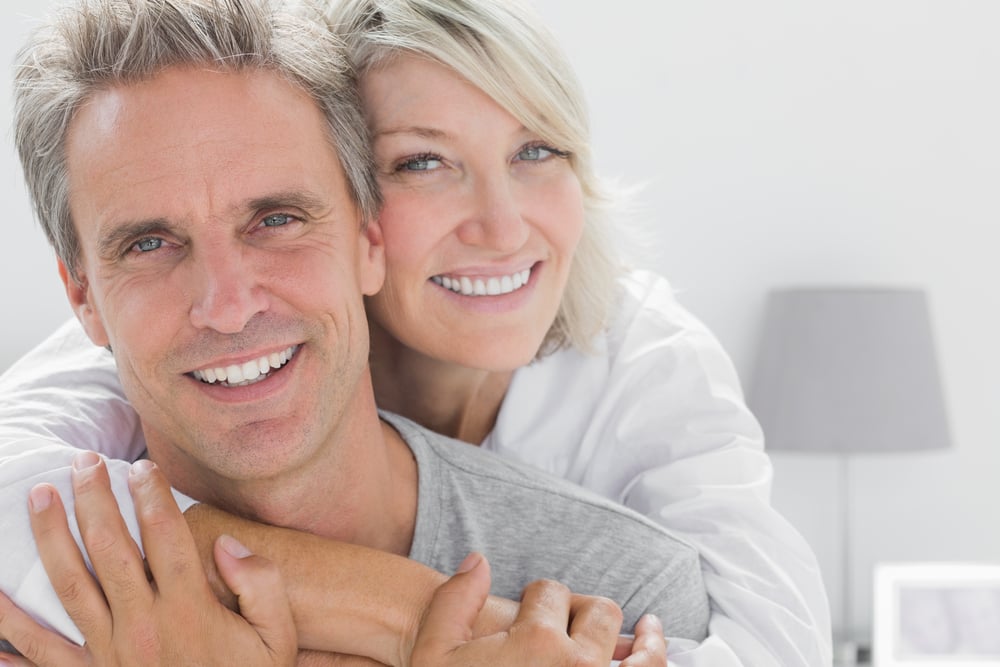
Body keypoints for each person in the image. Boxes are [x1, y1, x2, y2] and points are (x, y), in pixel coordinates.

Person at [0, 0, 832, 665]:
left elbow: (781, 636)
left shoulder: (622, 595)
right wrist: (421, 623)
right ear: (82, 297)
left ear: (366, 237)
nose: (225, 303)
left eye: (278, 219)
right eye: (148, 244)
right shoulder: (35, 584)